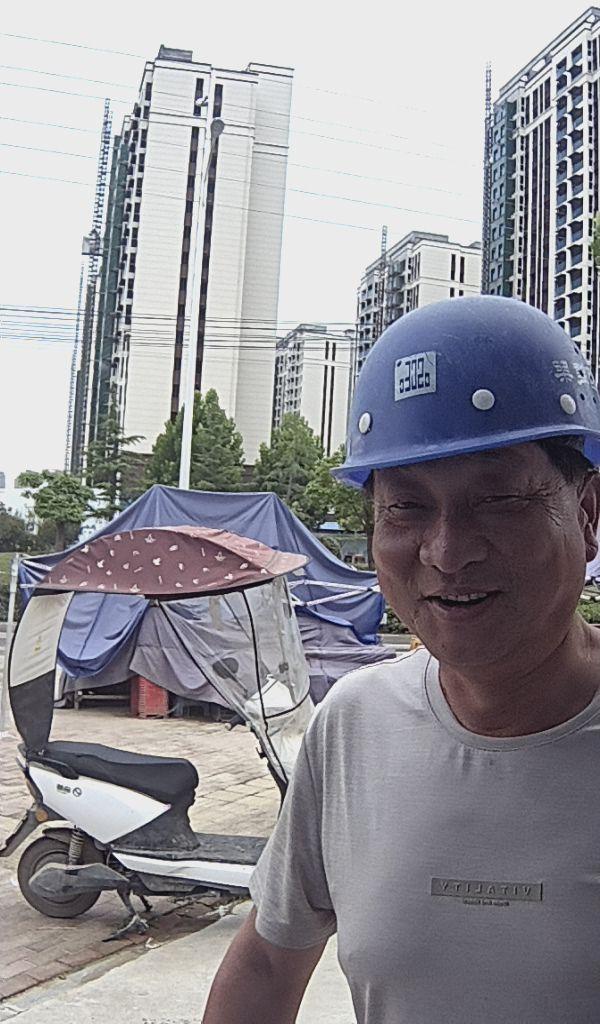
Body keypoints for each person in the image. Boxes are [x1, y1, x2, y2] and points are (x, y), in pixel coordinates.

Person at [202, 296, 600, 1023]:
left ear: (588, 515)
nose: (447, 553)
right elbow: (267, 961)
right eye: (407, 508)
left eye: (499, 499)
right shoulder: (355, 724)